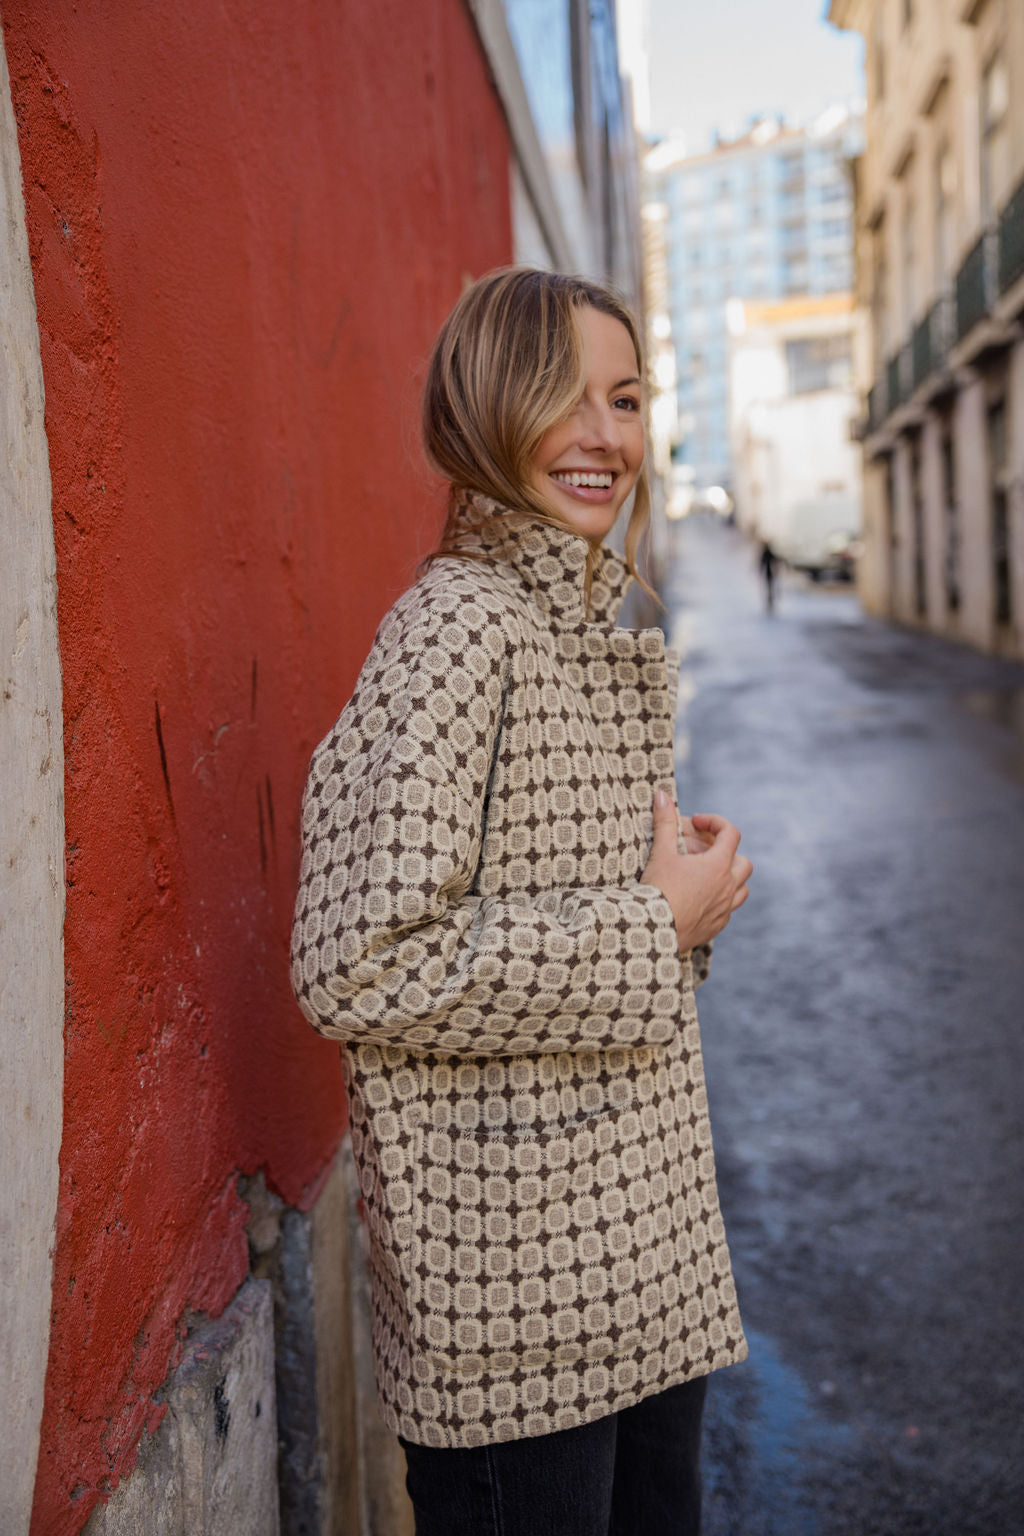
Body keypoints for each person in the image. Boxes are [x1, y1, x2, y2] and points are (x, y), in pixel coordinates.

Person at [291, 268, 753, 1536]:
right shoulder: (455, 628)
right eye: (564, 396)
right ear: (486, 406)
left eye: (627, 398)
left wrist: (681, 904)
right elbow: (358, 961)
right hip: (517, 1318)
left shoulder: (575, 625)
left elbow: (556, 931)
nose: (605, 436)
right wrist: (651, 925)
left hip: (638, 1276)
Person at [759, 539, 778, 614]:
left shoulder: (766, 553)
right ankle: (770, 602)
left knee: (770, 588)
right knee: (770, 588)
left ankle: (770, 602)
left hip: (769, 573)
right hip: (770, 573)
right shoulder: (769, 553)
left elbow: (762, 563)